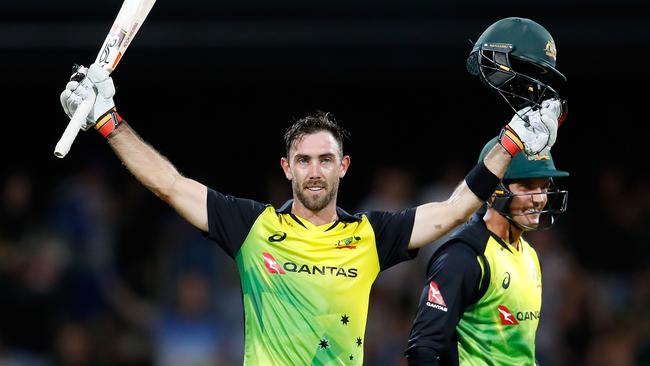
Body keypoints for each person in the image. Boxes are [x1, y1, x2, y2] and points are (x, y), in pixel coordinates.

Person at [59, 48, 561, 365]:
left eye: (326, 159)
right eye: (304, 160)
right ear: (286, 168)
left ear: (344, 167)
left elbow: (455, 209)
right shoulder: (251, 226)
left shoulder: (372, 235)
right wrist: (108, 122)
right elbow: (170, 184)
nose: (315, 170)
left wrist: (511, 141)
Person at [405, 16, 569, 365]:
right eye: (527, 185)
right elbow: (423, 348)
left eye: (544, 186)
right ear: (494, 190)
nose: (540, 197)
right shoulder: (463, 256)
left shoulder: (529, 256)